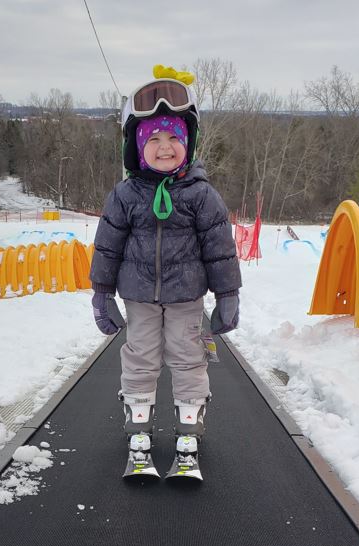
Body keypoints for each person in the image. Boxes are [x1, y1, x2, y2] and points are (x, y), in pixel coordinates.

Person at [89, 67, 242, 478]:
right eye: (153, 138)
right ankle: (139, 430)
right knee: (140, 357)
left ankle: (188, 429)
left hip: (186, 297)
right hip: (138, 295)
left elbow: (220, 249)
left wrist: (228, 295)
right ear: (136, 148)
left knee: (189, 356)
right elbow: (107, 245)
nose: (164, 146)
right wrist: (101, 293)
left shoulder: (201, 195)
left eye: (174, 136)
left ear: (188, 143)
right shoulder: (124, 195)